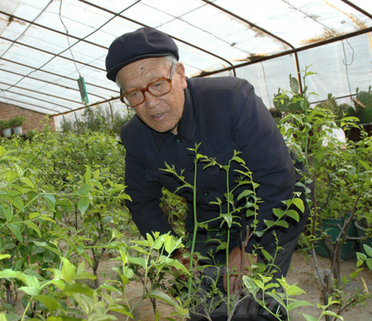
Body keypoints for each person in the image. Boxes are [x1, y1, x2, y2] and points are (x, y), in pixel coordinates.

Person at [105, 27, 311, 320]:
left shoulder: (232, 99)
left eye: (158, 84)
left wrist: (249, 248)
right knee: (202, 298)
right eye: (134, 94)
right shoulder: (135, 137)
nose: (150, 103)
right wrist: (176, 253)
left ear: (181, 75)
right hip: (209, 210)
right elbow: (141, 202)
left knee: (253, 300)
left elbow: (277, 178)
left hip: (276, 200)